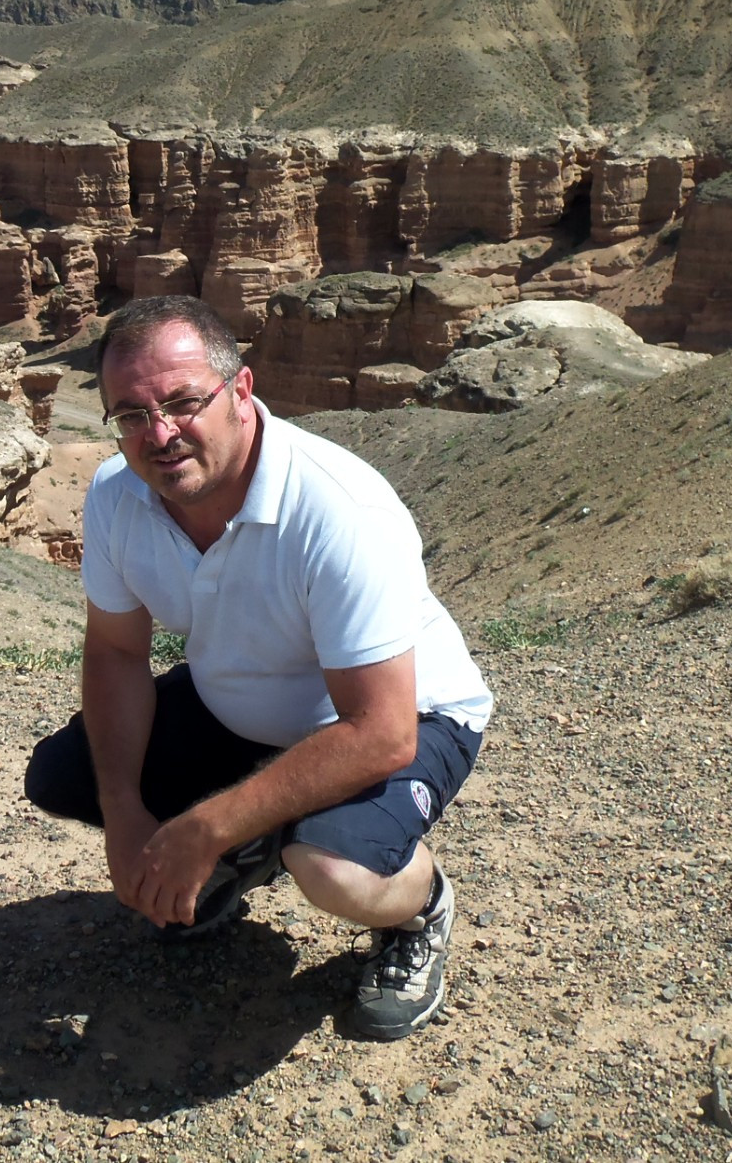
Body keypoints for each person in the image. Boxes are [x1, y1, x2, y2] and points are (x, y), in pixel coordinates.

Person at [24, 295, 493, 1040]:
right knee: (64, 775)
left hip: (405, 715)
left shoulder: (337, 512)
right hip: (240, 707)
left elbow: (381, 733)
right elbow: (116, 652)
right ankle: (248, 848)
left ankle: (421, 909)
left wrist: (201, 828)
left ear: (240, 392)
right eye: (132, 415)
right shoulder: (119, 496)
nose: (160, 434)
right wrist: (125, 815)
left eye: (182, 403)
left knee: (333, 869)